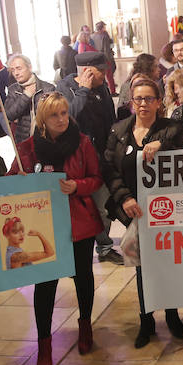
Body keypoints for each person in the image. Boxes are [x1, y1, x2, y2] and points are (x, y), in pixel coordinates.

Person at [7, 93, 104, 365]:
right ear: (42, 120)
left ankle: (85, 325)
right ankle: (44, 344)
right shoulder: (28, 148)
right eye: (54, 115)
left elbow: (96, 178)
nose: (62, 119)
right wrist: (20, 178)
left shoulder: (82, 142)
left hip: (78, 223)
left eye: (64, 113)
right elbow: (13, 181)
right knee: (45, 285)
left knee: (83, 277)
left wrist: (77, 185)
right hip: (44, 224)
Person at [103, 79, 183, 347]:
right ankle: (146, 319)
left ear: (158, 102)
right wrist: (124, 198)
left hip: (167, 211)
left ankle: (173, 315)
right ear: (131, 102)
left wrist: (161, 146)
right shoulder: (119, 131)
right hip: (136, 211)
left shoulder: (171, 129)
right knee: (143, 268)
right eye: (138, 99)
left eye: (148, 99)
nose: (143, 104)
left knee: (169, 266)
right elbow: (109, 169)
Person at [57, 52, 122, 264]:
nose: (106, 75)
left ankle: (104, 247)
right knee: (79, 210)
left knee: (104, 206)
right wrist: (83, 91)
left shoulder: (102, 88)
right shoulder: (63, 89)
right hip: (77, 161)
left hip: (102, 157)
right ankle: (75, 252)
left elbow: (109, 120)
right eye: (101, 71)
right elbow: (67, 120)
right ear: (87, 71)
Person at [4, 53, 56, 145]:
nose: (16, 73)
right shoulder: (13, 89)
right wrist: (26, 96)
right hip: (24, 141)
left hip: (45, 140)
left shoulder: (47, 88)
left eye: (19, 68)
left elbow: (54, 115)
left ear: (30, 67)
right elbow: (9, 115)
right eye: (13, 70)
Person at [91, 21, 117, 94]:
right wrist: (109, 59)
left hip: (96, 58)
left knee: (99, 75)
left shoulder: (92, 36)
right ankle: (112, 91)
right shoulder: (104, 36)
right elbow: (106, 49)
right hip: (104, 57)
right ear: (102, 27)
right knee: (109, 75)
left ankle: (103, 91)